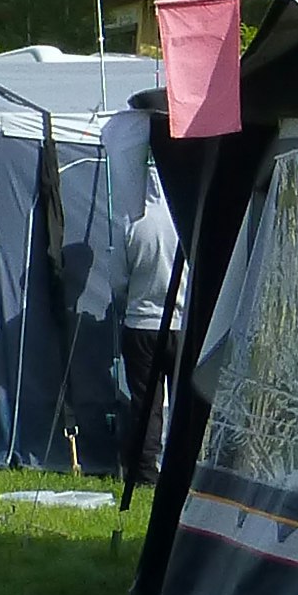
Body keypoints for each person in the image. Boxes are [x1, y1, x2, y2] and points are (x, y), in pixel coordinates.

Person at [110, 165, 181, 493]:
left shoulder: (131, 221)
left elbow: (118, 281)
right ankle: (181, 468)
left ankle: (144, 471)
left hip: (141, 323)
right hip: (181, 326)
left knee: (146, 403)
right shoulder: (185, 220)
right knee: (183, 402)